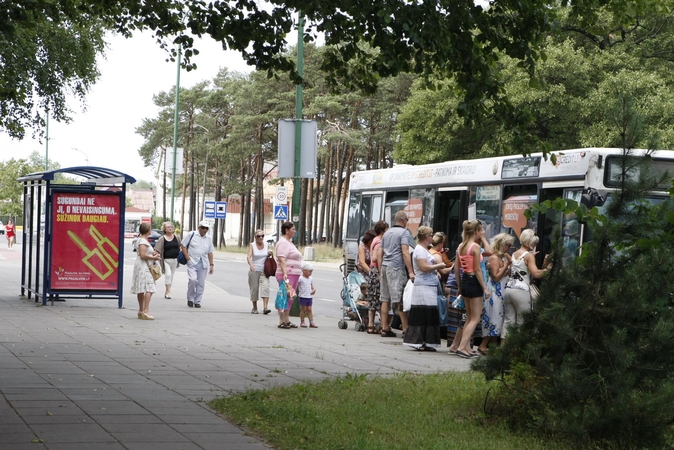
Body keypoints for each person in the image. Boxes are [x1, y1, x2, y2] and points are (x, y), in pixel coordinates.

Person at [502, 229, 552, 339]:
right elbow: (536, 274)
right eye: (534, 243)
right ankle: (518, 351)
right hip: (521, 291)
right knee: (522, 322)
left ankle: (503, 349)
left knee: (508, 322)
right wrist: (547, 270)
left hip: (509, 290)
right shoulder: (529, 256)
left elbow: (511, 272)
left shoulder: (514, 254)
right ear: (530, 242)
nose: (535, 245)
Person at [403, 226, 446, 351]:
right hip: (423, 286)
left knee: (429, 314)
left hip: (429, 285)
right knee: (423, 313)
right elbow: (423, 267)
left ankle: (427, 341)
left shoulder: (424, 249)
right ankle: (420, 341)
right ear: (426, 237)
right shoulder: (420, 250)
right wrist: (438, 266)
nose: (433, 237)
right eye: (431, 235)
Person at [454, 220, 490, 359]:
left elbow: (457, 269)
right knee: (475, 318)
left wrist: (459, 286)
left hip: (464, 281)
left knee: (469, 317)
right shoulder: (474, 247)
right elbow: (477, 270)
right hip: (474, 281)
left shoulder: (460, 246)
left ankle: (466, 347)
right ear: (476, 232)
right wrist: (485, 288)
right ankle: (462, 347)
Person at [378, 211, 414, 337]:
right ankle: (405, 329)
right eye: (407, 220)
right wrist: (410, 271)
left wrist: (380, 269)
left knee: (385, 298)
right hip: (396, 267)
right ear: (403, 220)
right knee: (400, 299)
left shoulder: (387, 233)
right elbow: (405, 252)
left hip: (384, 267)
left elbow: (380, 253)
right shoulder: (404, 233)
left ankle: (384, 327)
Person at [477, 232, 514, 355]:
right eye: (507, 245)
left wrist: (510, 265)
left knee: (499, 319)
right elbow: (496, 277)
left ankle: (492, 347)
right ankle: (483, 345)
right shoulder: (494, 258)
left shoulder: (502, 258)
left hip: (502, 291)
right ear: (501, 244)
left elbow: (507, 275)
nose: (509, 247)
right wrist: (507, 265)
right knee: (494, 318)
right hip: (494, 292)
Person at [181, 220, 215, 308]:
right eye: (203, 228)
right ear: (199, 227)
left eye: (206, 228)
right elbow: (183, 245)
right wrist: (187, 256)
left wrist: (211, 265)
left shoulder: (209, 238)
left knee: (201, 282)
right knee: (192, 279)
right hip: (192, 261)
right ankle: (190, 298)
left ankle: (197, 300)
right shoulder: (192, 234)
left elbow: (210, 252)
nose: (204, 230)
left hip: (203, 262)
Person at [130, 222, 161, 320]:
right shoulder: (143, 241)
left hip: (141, 266)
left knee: (141, 288)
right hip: (144, 267)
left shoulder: (140, 240)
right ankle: (146, 310)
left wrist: (153, 254)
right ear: (148, 230)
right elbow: (143, 255)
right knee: (149, 287)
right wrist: (154, 257)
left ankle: (141, 310)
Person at [275, 221, 302, 329]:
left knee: (291, 296)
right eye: (293, 229)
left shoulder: (290, 242)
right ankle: (281, 320)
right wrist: (285, 273)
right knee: (285, 296)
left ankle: (287, 319)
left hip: (294, 274)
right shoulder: (283, 243)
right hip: (286, 274)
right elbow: (282, 259)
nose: (294, 231)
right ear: (286, 230)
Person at [366, 220, 388, 334]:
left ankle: (370, 324)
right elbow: (375, 257)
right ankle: (376, 324)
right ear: (383, 231)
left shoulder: (374, 239)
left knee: (372, 298)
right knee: (378, 297)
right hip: (376, 271)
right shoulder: (379, 241)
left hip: (372, 270)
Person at [247, 229, 273, 314]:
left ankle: (265, 308)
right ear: (255, 237)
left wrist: (270, 253)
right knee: (254, 289)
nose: (261, 237)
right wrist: (251, 265)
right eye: (259, 236)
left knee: (265, 287)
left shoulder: (266, 244)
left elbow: (268, 255)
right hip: (254, 270)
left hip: (264, 270)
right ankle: (254, 308)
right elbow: (248, 256)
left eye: (262, 236)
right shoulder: (252, 245)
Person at [154, 221, 180, 299]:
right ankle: (168, 291)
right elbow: (157, 249)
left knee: (171, 276)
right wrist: (156, 257)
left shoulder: (177, 237)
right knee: (168, 275)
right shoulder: (162, 239)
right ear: (164, 229)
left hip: (175, 260)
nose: (170, 228)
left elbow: (180, 246)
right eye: (168, 227)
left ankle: (167, 290)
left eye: (171, 227)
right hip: (166, 260)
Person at [298, 262, 317, 328]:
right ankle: (302, 321)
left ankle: (311, 321)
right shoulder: (300, 278)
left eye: (311, 271)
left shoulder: (311, 278)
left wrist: (314, 289)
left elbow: (311, 285)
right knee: (303, 309)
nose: (310, 273)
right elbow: (297, 285)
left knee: (309, 309)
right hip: (303, 296)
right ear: (304, 271)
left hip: (309, 296)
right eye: (309, 271)